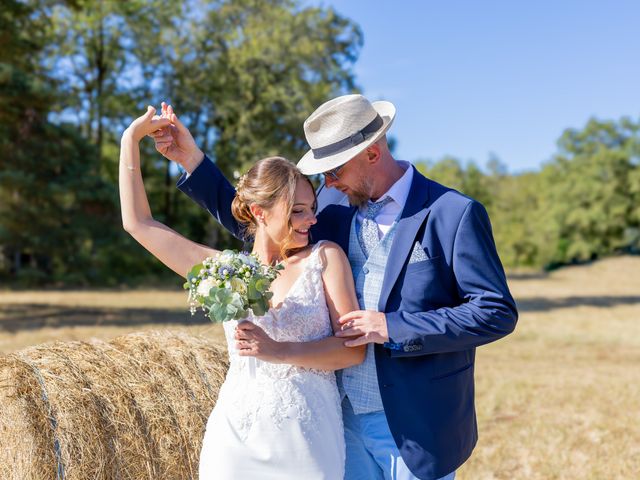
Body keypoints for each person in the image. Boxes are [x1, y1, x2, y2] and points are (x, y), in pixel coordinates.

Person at [152, 95, 518, 480]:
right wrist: (191, 158)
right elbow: (263, 221)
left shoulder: (453, 213)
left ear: (373, 153)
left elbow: (495, 311)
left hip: (416, 425)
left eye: (334, 169)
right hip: (337, 421)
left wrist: (392, 327)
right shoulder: (331, 206)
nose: (327, 182)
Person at [119, 106, 366, 479]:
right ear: (260, 212)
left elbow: (353, 350)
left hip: (306, 436)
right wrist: (130, 140)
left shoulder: (325, 258)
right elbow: (138, 223)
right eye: (297, 211)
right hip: (235, 437)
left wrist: (280, 351)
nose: (310, 220)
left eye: (312, 209)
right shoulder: (223, 270)